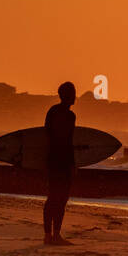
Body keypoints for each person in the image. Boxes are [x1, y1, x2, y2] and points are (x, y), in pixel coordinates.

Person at [43, 81, 77, 245]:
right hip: (62, 161)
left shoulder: (52, 111)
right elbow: (68, 141)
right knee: (61, 199)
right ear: (68, 96)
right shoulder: (70, 116)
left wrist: (46, 159)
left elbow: (47, 136)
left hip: (52, 160)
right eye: (73, 93)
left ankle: (48, 235)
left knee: (52, 198)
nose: (75, 96)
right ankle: (56, 235)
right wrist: (73, 164)